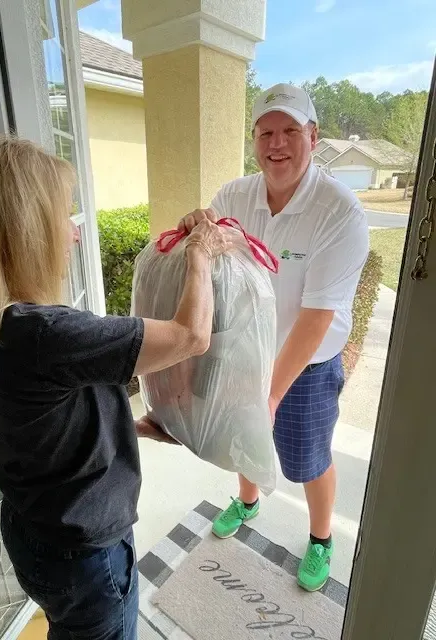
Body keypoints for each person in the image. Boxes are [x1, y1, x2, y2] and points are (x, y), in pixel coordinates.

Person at [0, 133, 230, 639]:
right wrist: (200, 255)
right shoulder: (44, 333)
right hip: (86, 552)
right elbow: (191, 337)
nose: (75, 234)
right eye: (63, 217)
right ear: (23, 232)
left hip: (32, 529)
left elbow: (48, 421)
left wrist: (135, 428)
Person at [179, 83, 369, 592]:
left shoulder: (339, 211)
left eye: (290, 131)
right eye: (266, 132)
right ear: (254, 139)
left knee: (307, 457)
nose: (276, 144)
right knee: (239, 437)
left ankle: (323, 537)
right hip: (246, 345)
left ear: (313, 136)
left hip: (307, 361)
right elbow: (212, 264)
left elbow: (317, 318)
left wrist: (271, 394)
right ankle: (247, 501)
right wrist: (196, 230)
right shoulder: (234, 195)